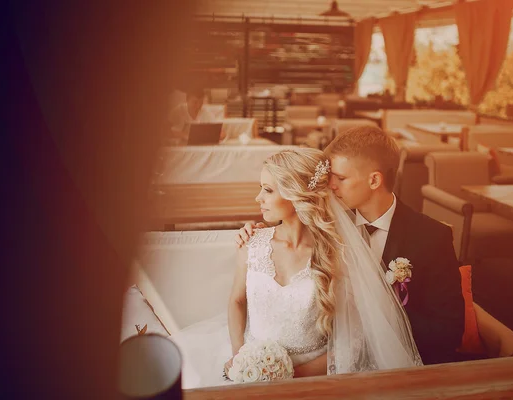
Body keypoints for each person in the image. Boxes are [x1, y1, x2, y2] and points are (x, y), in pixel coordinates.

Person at [170, 147, 422, 389]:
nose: (258, 198)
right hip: (249, 364)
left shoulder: (336, 255)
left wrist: (288, 375)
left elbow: (352, 342)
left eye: (268, 190)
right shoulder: (251, 243)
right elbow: (236, 301)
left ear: (296, 194)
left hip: (313, 375)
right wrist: (240, 358)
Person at [236, 126, 465, 365]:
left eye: (341, 178)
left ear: (374, 180)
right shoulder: (326, 226)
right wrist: (255, 231)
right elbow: (285, 235)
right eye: (330, 176)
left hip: (400, 363)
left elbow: (449, 329)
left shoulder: (431, 237)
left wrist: (381, 323)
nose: (330, 185)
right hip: (330, 362)